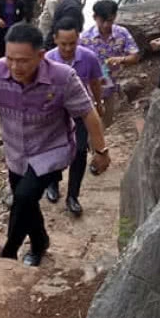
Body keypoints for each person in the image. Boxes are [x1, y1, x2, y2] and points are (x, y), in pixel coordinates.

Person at [0, 22, 110, 267]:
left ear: (41, 56)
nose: (15, 66)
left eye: (23, 61)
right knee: (26, 201)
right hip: (16, 152)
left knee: (23, 197)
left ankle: (9, 254)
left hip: (52, 149)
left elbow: (88, 113)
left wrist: (101, 151)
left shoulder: (62, 77)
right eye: (10, 59)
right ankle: (40, 241)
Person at [44, 19, 105, 214]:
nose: (68, 48)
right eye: (63, 44)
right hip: (55, 114)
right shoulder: (47, 60)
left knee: (79, 152)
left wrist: (98, 103)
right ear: (55, 39)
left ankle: (73, 196)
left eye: (72, 43)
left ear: (78, 38)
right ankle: (52, 183)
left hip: (81, 112)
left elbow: (95, 82)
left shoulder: (89, 57)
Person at [81, 0, 140, 126]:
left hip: (111, 87)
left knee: (107, 122)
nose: (106, 25)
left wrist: (121, 59)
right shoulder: (85, 39)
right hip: (90, 89)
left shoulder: (122, 33)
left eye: (110, 21)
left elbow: (135, 56)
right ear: (95, 17)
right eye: (103, 21)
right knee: (91, 123)